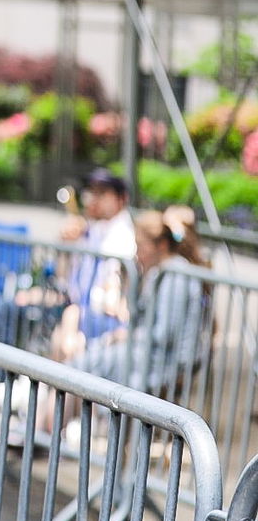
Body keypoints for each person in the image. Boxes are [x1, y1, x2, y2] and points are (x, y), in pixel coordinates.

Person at [70, 207, 207, 395]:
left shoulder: (175, 276)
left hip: (164, 361)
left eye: (141, 246)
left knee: (91, 366)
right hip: (147, 353)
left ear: (161, 245)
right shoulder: (157, 272)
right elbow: (139, 316)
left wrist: (128, 336)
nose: (137, 253)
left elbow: (164, 334)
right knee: (88, 361)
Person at [50, 167, 136, 362]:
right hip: (84, 312)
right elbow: (63, 278)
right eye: (91, 192)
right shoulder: (92, 228)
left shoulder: (123, 236)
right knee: (61, 339)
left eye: (102, 193)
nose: (93, 199)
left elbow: (111, 294)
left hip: (109, 320)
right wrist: (65, 246)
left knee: (71, 344)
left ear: (121, 199)